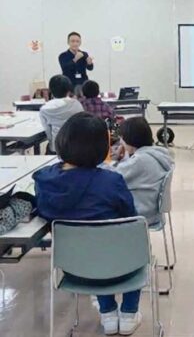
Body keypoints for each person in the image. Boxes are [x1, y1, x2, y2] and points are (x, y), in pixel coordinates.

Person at [33, 112, 142, 336]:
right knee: (132, 242)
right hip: (121, 267)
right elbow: (130, 218)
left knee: (92, 250)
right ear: (102, 148)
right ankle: (128, 314)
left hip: (73, 268)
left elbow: (43, 211)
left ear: (62, 141)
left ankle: (107, 313)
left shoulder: (43, 180)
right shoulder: (111, 181)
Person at [113, 117, 173, 225]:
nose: (121, 142)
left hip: (140, 214)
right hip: (153, 211)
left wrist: (114, 160)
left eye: (122, 138)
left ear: (130, 139)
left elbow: (112, 176)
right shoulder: (158, 154)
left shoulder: (139, 161)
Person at [39, 75, 83, 154]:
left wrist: (52, 145)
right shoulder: (76, 104)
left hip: (57, 148)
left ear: (50, 90)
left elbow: (48, 132)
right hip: (76, 147)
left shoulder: (45, 109)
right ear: (68, 90)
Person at [58, 31, 94, 96]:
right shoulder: (63, 55)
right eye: (73, 41)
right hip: (69, 84)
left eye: (77, 41)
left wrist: (90, 63)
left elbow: (90, 68)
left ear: (80, 43)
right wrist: (75, 59)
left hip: (83, 83)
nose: (75, 43)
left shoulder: (84, 54)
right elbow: (65, 68)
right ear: (68, 42)